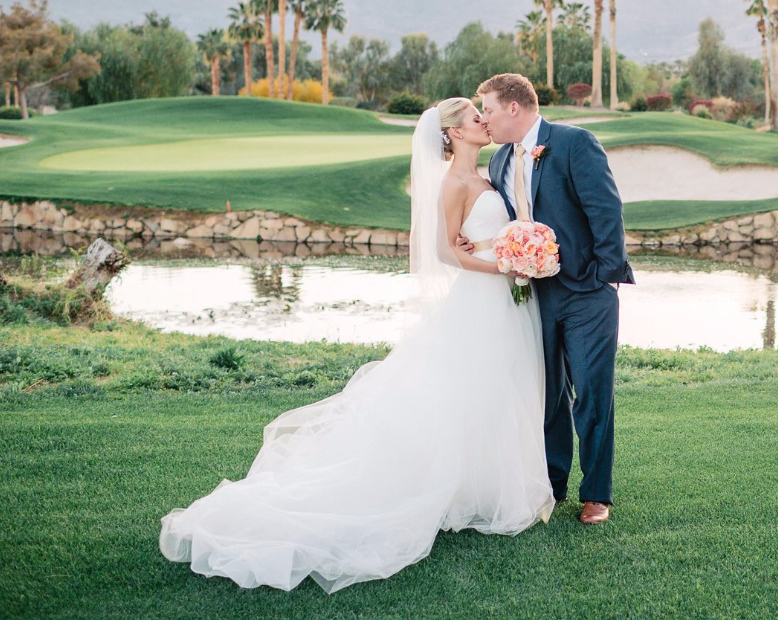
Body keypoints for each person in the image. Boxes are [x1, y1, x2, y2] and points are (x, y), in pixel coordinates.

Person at [158, 98, 553, 593]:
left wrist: (517, 250)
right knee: (464, 391)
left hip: (505, 299)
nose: (483, 120)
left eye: (482, 113)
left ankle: (483, 490)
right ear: (451, 133)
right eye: (474, 116)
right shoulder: (453, 183)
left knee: (495, 391)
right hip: (482, 296)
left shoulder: (492, 172)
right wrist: (503, 265)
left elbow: (485, 233)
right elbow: (442, 251)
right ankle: (438, 488)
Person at [477, 73, 633, 525]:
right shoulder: (499, 162)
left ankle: (597, 493)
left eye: (487, 108)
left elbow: (607, 211)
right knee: (547, 395)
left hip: (586, 293)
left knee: (592, 394)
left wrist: (603, 278)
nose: (484, 118)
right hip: (532, 296)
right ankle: (553, 484)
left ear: (513, 107)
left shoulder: (574, 143)